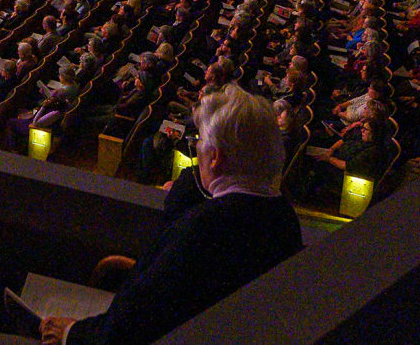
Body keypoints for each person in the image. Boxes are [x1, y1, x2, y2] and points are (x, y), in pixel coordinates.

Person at [39, 86, 302, 345]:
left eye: (199, 143)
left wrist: (70, 333)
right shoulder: (284, 218)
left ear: (216, 159)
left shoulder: (203, 228)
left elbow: (128, 329)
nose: (197, 150)